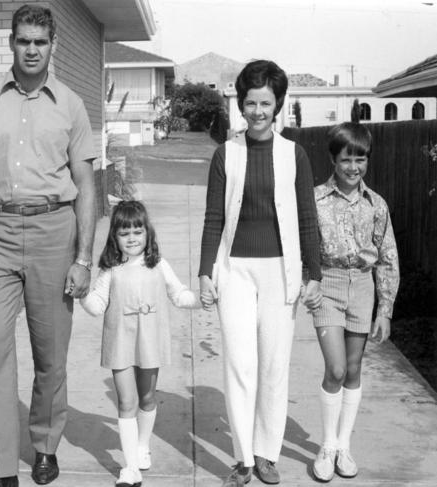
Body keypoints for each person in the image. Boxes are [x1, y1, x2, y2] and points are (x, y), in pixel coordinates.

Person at [0, 5, 96, 487]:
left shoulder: (71, 104)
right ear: (10, 43)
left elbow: (86, 184)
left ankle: (45, 444)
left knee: (51, 352)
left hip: (54, 233)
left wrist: (83, 258)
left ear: (53, 44)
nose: (31, 49)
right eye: (23, 40)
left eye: (40, 41)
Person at [198, 59, 323, 487]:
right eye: (249, 102)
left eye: (265, 102)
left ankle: (267, 453)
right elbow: (213, 217)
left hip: (280, 274)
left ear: (279, 105)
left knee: (273, 366)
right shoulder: (225, 154)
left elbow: (307, 217)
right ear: (240, 105)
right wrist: (204, 272)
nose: (256, 111)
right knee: (239, 364)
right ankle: (244, 459)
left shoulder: (295, 154)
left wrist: (315, 273)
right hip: (234, 271)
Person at [80, 200, 201, 487]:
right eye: (125, 233)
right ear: (115, 237)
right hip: (120, 341)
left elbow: (179, 294)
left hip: (150, 341)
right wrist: (81, 295)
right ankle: (130, 467)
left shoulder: (158, 265)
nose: (132, 238)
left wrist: (203, 300)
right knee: (126, 401)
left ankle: (142, 446)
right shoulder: (111, 268)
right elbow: (97, 305)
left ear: (148, 233)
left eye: (137, 231)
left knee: (146, 398)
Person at [311, 122, 399, 482]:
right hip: (328, 286)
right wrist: (307, 283)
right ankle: (327, 445)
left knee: (353, 369)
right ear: (333, 159)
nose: (353, 167)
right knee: (335, 369)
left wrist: (385, 310)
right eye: (346, 159)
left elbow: (388, 257)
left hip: (362, 288)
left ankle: (344, 446)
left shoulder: (376, 205)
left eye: (360, 159)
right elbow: (304, 247)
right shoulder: (314, 199)